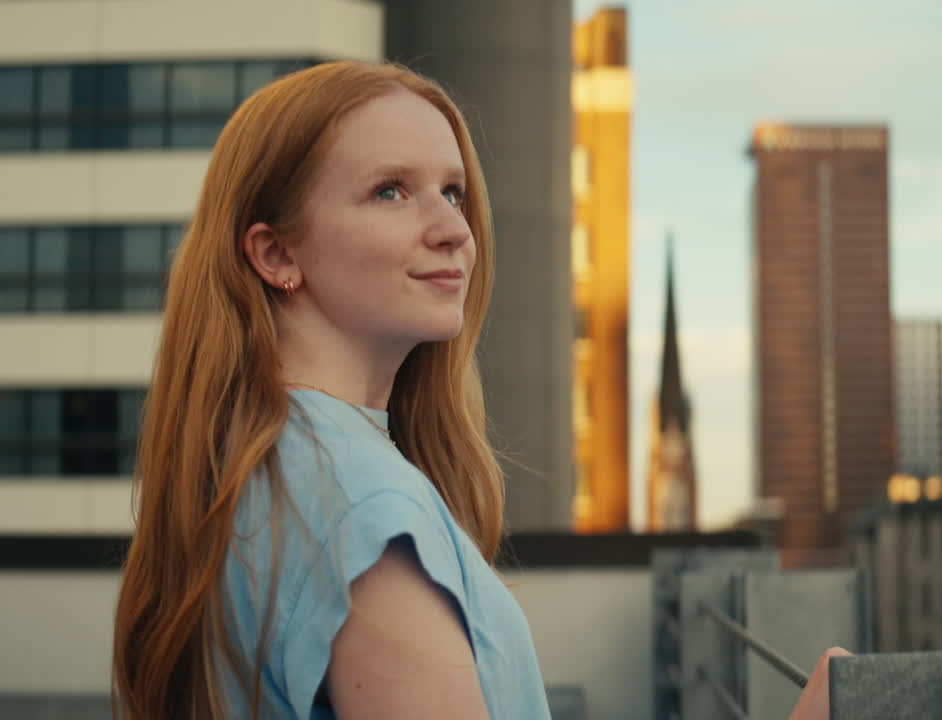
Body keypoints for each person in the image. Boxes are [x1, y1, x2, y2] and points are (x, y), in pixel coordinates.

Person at [111, 60, 847, 719]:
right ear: (275, 254)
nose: (453, 231)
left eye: (454, 192)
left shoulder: (264, 467)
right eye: (391, 191)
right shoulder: (364, 510)